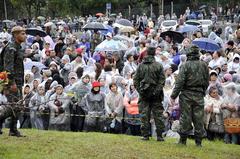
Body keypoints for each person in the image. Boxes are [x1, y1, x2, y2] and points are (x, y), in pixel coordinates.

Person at [170, 45, 209, 147]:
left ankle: (183, 141)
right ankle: (198, 143)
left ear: (189, 54)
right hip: (199, 94)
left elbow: (180, 82)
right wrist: (202, 92)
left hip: (186, 94)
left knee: (185, 118)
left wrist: (173, 96)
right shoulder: (204, 65)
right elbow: (206, 81)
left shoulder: (185, 65)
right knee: (199, 118)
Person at [134, 46, 165, 141]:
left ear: (147, 53)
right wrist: (156, 91)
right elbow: (162, 80)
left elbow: (135, 80)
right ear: (154, 53)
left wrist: (140, 91)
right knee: (158, 115)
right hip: (156, 95)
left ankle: (145, 135)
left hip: (144, 94)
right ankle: (159, 136)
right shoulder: (158, 65)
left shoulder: (141, 66)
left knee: (144, 115)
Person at [1, 26, 27, 137]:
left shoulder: (18, 47)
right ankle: (11, 129)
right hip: (10, 81)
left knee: (17, 106)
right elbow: (8, 68)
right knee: (14, 105)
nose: (25, 35)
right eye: (22, 33)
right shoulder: (11, 48)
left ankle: (12, 129)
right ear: (15, 35)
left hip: (18, 80)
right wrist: (11, 84)